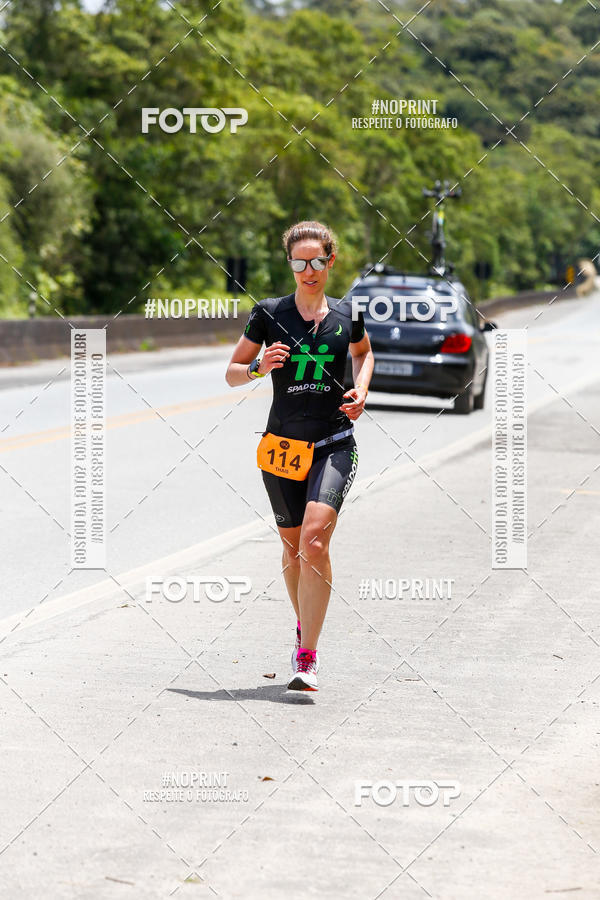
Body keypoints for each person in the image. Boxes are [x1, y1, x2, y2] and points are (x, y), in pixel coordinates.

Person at [225, 220, 373, 691]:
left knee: (313, 541)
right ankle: (304, 627)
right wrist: (256, 367)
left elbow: (364, 355)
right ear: (289, 264)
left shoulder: (348, 316)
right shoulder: (269, 314)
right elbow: (231, 372)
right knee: (292, 550)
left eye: (317, 261)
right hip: (282, 447)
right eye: (299, 261)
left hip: (333, 443)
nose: (308, 270)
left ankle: (307, 656)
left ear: (331, 261)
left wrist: (361, 392)